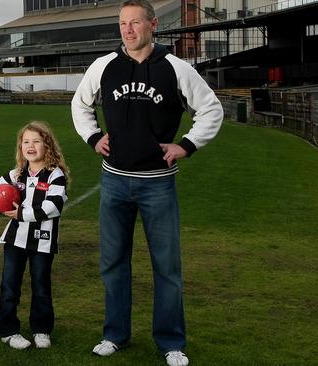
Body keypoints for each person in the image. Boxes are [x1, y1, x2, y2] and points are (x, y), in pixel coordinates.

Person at [71, 1, 223, 365]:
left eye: (134, 22)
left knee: (167, 267)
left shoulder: (175, 68)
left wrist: (186, 145)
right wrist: (94, 137)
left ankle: (171, 343)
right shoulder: (103, 66)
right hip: (115, 184)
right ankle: (115, 335)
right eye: (122, 23)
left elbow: (211, 109)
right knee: (113, 263)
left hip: (158, 185)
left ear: (152, 25)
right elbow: (80, 104)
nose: (127, 30)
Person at [0, 121, 68, 350]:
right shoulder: (17, 173)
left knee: (41, 286)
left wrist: (22, 213)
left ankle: (41, 329)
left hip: (43, 240)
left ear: (47, 146)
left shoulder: (54, 175)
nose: (31, 146)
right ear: (20, 147)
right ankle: (9, 331)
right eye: (26, 142)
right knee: (9, 286)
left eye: (37, 141)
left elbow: (54, 206)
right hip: (15, 239)